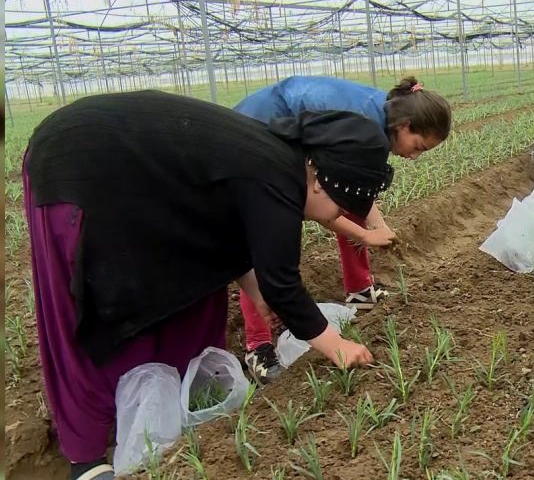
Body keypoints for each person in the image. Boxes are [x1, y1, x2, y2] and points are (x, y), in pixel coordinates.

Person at [24, 90, 393, 480]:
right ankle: (86, 458)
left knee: (191, 286)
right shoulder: (277, 177)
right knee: (95, 300)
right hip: (81, 164)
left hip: (141, 183)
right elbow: (283, 284)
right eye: (340, 206)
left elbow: (222, 237)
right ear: (320, 182)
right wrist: (338, 347)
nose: (335, 216)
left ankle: (174, 406)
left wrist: (256, 291)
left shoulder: (277, 162)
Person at [232, 75, 451, 383]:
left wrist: (380, 225)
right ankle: (259, 347)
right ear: (404, 126)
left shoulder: (383, 116)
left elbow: (352, 193)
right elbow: (318, 205)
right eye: (418, 146)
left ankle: (360, 290)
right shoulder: (365, 127)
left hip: (281, 133)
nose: (414, 157)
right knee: (262, 239)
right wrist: (364, 234)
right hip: (258, 133)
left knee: (341, 202)